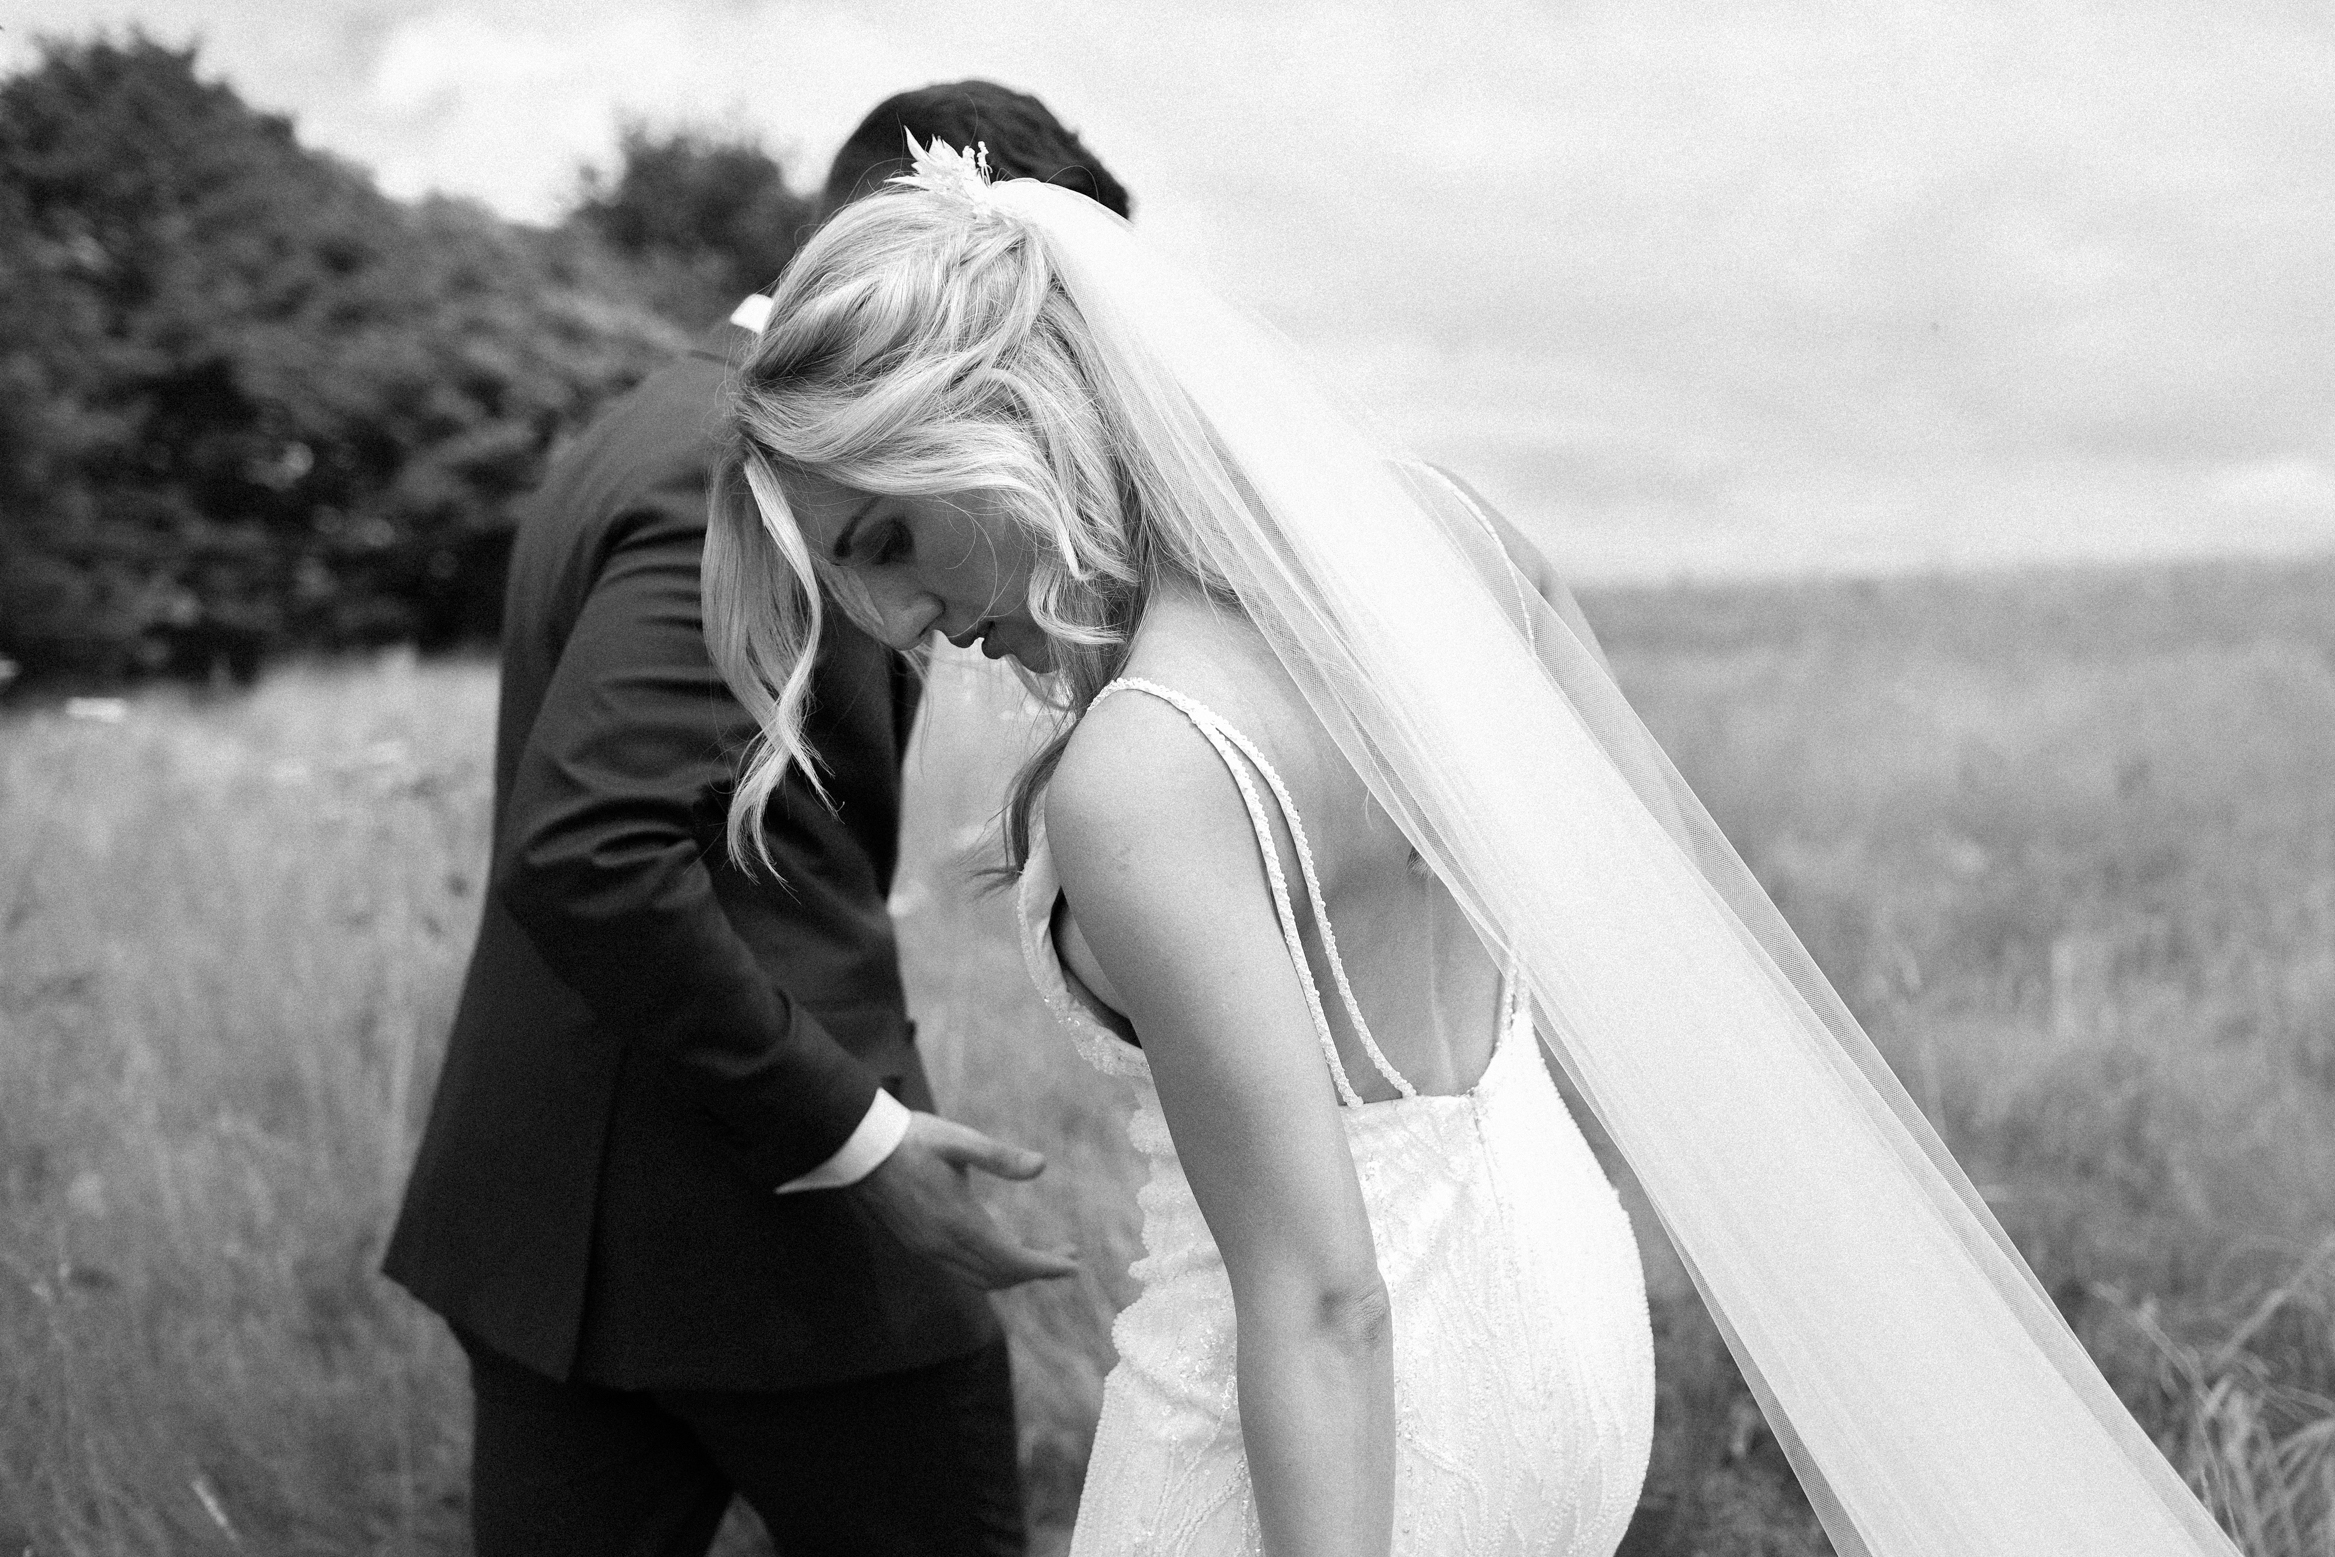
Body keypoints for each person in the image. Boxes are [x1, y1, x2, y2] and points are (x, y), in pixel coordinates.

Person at [703, 141, 2249, 1557]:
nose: (903, 625)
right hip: (1564, 1344)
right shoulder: (1444, 535)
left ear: (1004, 412)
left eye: (888, 539)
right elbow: (1680, 922)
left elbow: (1322, 1296)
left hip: (1306, 1450)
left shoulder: (1143, 768)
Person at [381, 91, 1128, 1557]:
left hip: (561, 1228)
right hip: (769, 1227)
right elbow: (590, 843)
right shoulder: (725, 456)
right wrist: (858, 1138)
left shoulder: (650, 417)